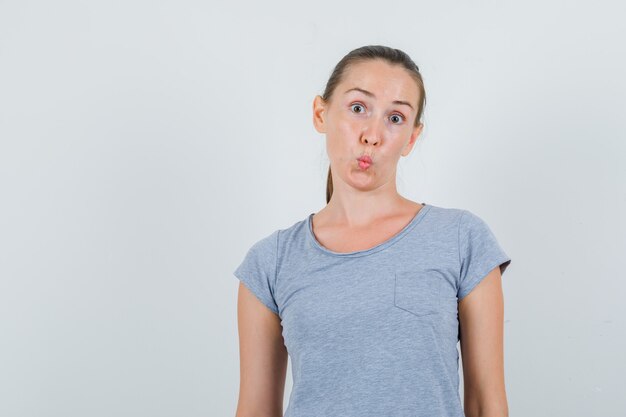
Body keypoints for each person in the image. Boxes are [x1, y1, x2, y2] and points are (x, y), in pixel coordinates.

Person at [233, 45, 512, 417]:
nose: (372, 135)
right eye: (358, 108)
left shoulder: (462, 239)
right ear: (321, 113)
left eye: (395, 118)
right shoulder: (270, 263)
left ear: (411, 138)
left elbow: (486, 403)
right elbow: (255, 410)